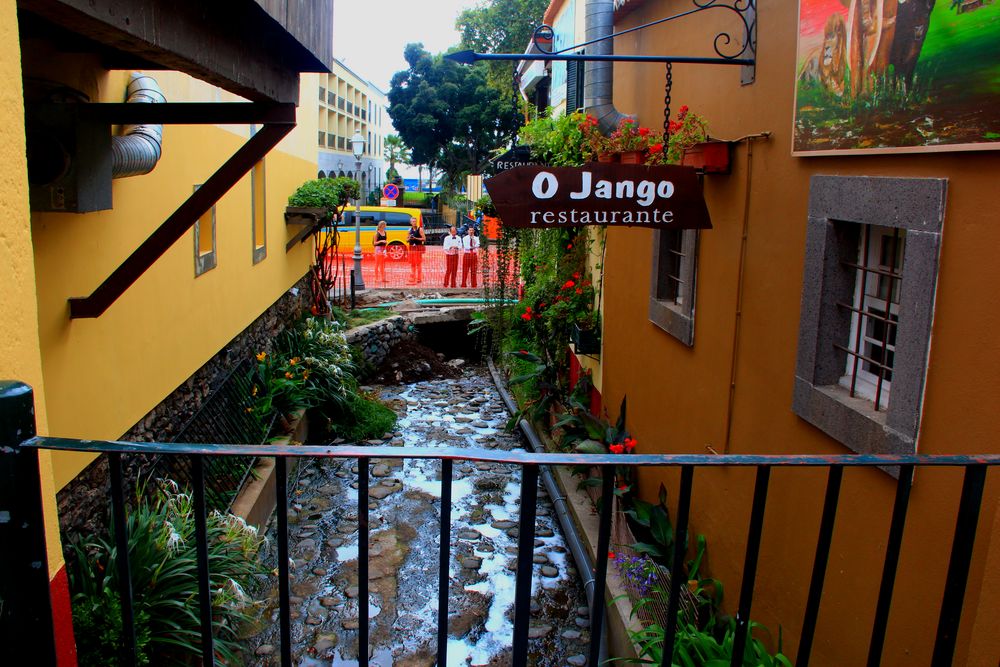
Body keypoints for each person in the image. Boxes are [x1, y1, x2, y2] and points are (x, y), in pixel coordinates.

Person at [406, 216, 425, 284]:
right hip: (411, 248)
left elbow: (424, 239)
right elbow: (406, 240)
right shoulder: (409, 230)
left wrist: (415, 238)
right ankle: (413, 277)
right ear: (410, 222)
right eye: (413, 221)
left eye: (415, 221)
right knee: (412, 264)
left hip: (418, 248)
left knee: (418, 264)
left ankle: (419, 278)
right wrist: (410, 238)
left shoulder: (420, 229)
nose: (414, 223)